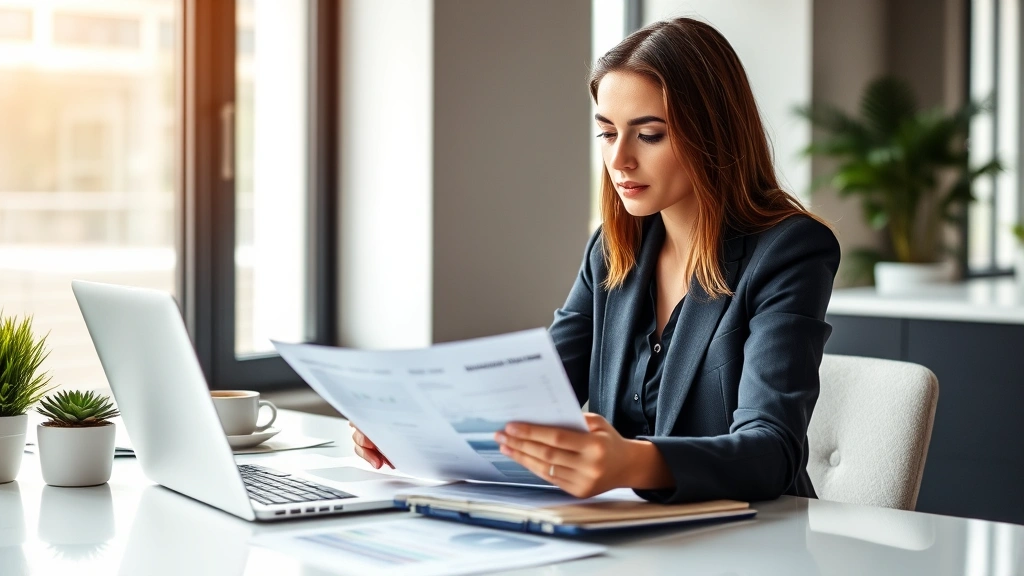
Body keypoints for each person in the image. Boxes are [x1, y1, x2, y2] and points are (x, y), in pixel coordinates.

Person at [351, 17, 840, 504]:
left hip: (754, 540)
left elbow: (771, 451)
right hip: (625, 534)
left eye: (649, 135)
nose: (620, 160)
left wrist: (631, 460)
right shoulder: (612, 249)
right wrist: (413, 424)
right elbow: (530, 392)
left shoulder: (790, 250)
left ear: (714, 135)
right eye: (607, 133)